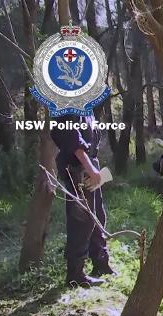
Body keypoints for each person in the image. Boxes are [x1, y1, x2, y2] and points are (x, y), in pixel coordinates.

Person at [50, 115, 115, 288]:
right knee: (81, 221)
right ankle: (75, 274)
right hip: (77, 169)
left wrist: (93, 167)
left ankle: (101, 263)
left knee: (97, 216)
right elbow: (71, 136)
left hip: (89, 166)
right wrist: (90, 167)